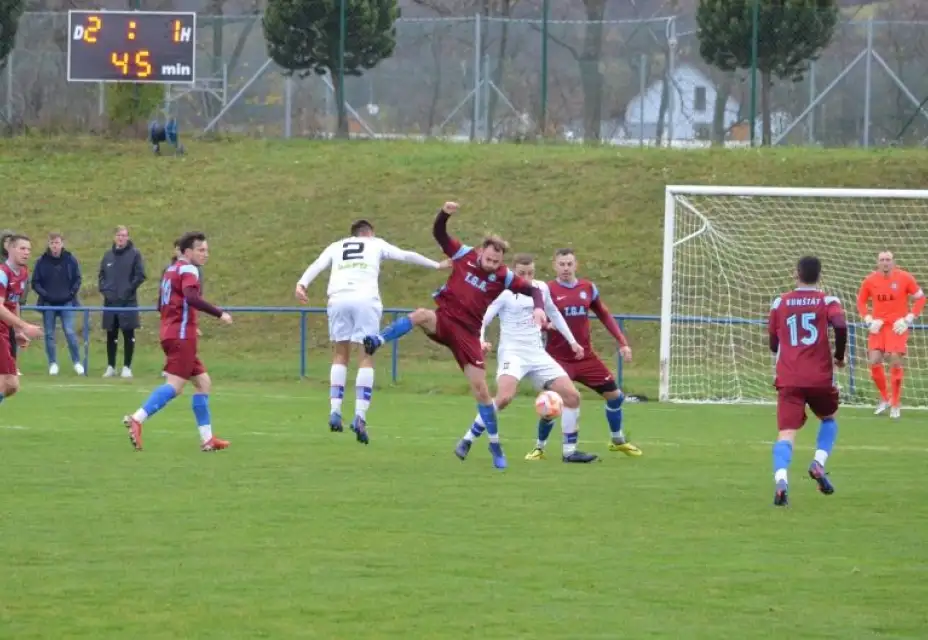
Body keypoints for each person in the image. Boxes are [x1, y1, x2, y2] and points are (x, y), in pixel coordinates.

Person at [363, 202, 548, 469]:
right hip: (445, 320)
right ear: (481, 251)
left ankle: (495, 445)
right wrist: (444, 214)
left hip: (468, 335)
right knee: (421, 314)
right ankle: (378, 340)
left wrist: (539, 309)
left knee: (482, 392)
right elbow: (439, 234)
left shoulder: (504, 276)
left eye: (496, 262)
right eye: (489, 259)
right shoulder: (463, 254)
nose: (491, 265)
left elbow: (535, 291)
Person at [294, 219, 445, 443]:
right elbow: (405, 255)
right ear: (369, 233)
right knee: (366, 355)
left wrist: (302, 284)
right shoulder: (376, 244)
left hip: (338, 299)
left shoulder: (336, 246)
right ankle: (360, 416)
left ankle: (335, 410)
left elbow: (318, 264)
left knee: (340, 353)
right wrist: (437, 265)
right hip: (365, 299)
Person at [456, 253, 597, 463]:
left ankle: (569, 452)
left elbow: (554, 314)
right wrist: (481, 340)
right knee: (504, 398)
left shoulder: (541, 288)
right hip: (512, 353)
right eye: (522, 273)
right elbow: (483, 318)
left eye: (530, 273)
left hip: (537, 353)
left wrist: (573, 342)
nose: (527, 278)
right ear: (513, 271)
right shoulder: (503, 291)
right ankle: (468, 439)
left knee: (572, 397)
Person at [123, 232, 232, 452]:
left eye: (206, 250)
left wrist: (185, 322)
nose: (205, 254)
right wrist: (220, 314)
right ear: (187, 252)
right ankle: (137, 419)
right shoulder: (189, 269)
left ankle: (207, 439)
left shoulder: (171, 270)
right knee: (175, 386)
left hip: (173, 333)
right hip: (181, 336)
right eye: (201, 250)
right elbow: (192, 297)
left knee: (203, 383)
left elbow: (162, 305)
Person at [546, 249, 642, 456]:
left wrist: (622, 343)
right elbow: (534, 319)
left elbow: (605, 315)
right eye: (561, 264)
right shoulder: (547, 290)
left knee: (615, 397)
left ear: (576, 265)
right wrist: (546, 326)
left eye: (569, 264)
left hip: (585, 357)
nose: (565, 268)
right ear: (554, 266)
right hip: (557, 359)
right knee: (551, 403)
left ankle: (617, 439)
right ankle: (539, 448)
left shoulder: (587, 288)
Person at [768, 256, 847, 507]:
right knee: (829, 417)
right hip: (819, 376)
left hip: (789, 377)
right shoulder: (828, 301)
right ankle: (818, 463)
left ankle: (781, 481)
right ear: (819, 276)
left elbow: (773, 343)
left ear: (796, 274)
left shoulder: (780, 302)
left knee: (786, 433)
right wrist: (839, 356)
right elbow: (840, 325)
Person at [856, 251, 925, 419]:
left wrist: (908, 318)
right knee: (874, 360)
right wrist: (868, 319)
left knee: (894, 358)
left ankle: (895, 402)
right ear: (877, 262)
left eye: (888, 259)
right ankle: (885, 398)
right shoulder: (870, 280)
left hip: (896, 326)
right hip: (878, 326)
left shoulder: (905, 278)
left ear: (893, 262)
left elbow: (921, 298)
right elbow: (861, 301)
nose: (885, 262)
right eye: (882, 260)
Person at [31, 232, 84, 376]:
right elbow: (35, 282)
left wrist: (71, 293)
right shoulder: (42, 261)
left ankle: (77, 362)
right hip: (48, 303)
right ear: (49, 245)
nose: (55, 246)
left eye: (57, 243)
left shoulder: (70, 259)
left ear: (62, 244)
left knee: (70, 331)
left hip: (66, 302)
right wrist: (45, 294)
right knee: (49, 334)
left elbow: (78, 279)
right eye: (52, 243)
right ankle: (53, 363)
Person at [0, 235, 44, 403]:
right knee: (9, 382)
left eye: (28, 249)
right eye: (22, 248)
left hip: (6, 329)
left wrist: (18, 330)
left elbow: (14, 302)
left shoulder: (23, 273)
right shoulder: (2, 273)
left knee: (10, 386)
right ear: (10, 249)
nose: (26, 253)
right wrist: (25, 326)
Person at [99, 225, 146, 378]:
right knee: (111, 335)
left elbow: (140, 275)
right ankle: (111, 366)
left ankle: (127, 366)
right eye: (119, 235)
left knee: (128, 334)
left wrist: (128, 290)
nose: (121, 238)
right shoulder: (108, 255)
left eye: (124, 235)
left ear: (128, 237)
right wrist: (105, 290)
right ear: (115, 237)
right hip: (110, 302)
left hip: (127, 302)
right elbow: (101, 276)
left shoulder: (135, 254)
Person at [0, 230, 22, 375]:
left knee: (11, 382)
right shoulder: (3, 270)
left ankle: (12, 367)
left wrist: (19, 328)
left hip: (9, 315)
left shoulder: (21, 270)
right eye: (6, 242)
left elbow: (16, 299)